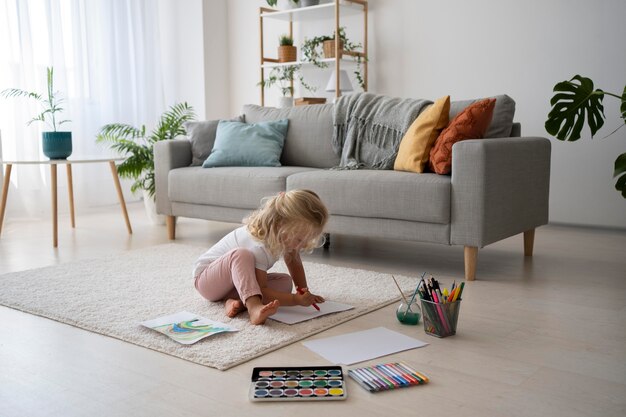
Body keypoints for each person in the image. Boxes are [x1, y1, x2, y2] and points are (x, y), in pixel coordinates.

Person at [193, 189, 329, 325]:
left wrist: (304, 293)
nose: (303, 245)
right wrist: (295, 300)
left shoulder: (282, 236)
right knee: (241, 255)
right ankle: (253, 308)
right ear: (280, 226)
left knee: (284, 282)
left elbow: (294, 262)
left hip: (232, 285)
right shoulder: (259, 246)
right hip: (206, 282)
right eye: (300, 239)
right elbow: (262, 290)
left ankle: (239, 302)